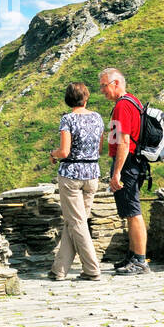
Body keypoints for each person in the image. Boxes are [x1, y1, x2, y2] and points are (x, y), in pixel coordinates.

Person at [48, 81, 104, 280]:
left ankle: (92, 269)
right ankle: (59, 270)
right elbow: (99, 149)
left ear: (68, 99)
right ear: (86, 97)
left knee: (77, 223)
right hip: (92, 174)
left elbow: (64, 151)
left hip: (71, 175)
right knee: (75, 222)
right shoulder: (98, 118)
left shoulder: (68, 120)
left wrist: (53, 154)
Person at [100, 67, 150, 276]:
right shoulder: (133, 101)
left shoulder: (122, 106)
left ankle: (140, 261)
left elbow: (124, 141)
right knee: (130, 212)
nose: (102, 91)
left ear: (116, 83)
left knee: (133, 212)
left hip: (127, 164)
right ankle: (132, 255)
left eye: (104, 86)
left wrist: (116, 172)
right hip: (135, 162)